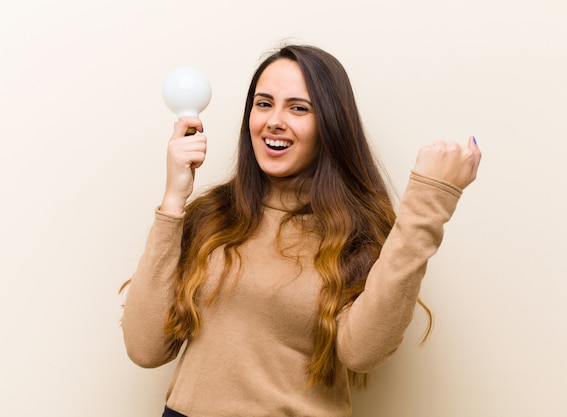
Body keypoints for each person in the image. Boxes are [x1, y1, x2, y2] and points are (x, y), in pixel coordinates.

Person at [121, 44, 481, 417]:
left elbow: (361, 352)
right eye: (263, 104)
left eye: (298, 108)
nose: (274, 120)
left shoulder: (358, 232)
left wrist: (427, 207)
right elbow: (146, 348)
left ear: (330, 124)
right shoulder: (213, 216)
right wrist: (173, 200)